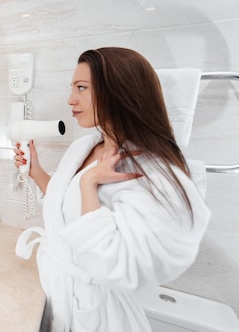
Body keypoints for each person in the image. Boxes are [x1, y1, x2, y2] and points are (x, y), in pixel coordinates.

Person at [13, 48, 210, 331]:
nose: (71, 99)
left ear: (119, 92)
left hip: (99, 316)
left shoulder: (148, 170)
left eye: (81, 88)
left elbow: (115, 266)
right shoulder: (85, 146)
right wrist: (37, 173)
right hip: (59, 295)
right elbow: (65, 207)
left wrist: (89, 183)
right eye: (73, 88)